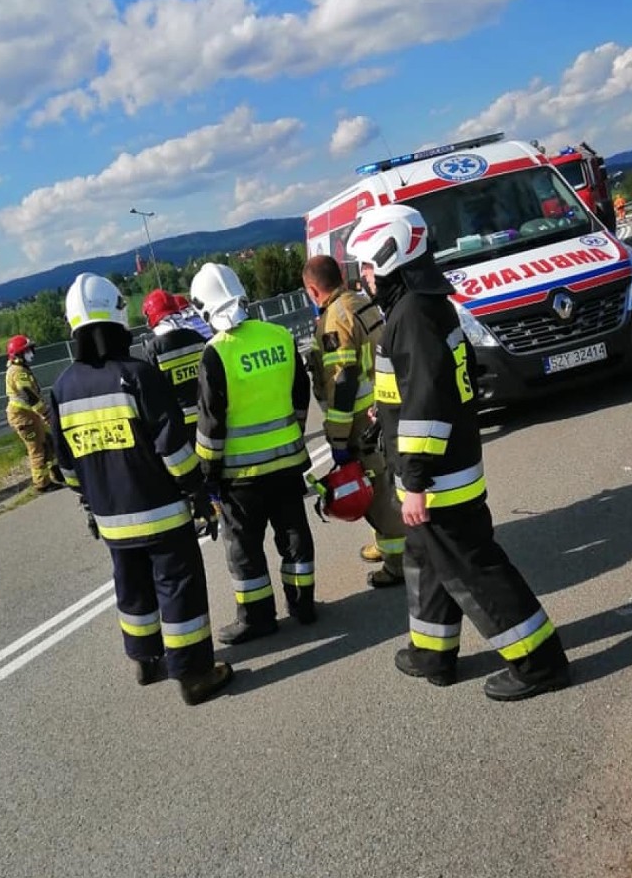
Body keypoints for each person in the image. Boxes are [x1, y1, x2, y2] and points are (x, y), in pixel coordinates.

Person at [346, 204, 571, 701]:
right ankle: (433, 654)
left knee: (475, 571)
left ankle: (540, 662)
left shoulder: (414, 316)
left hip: (438, 479)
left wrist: (418, 481)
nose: (362, 277)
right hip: (439, 471)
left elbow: (428, 404)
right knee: (426, 563)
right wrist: (381, 416)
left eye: (365, 266)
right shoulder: (422, 305)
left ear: (388, 256)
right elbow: (418, 389)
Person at [49, 272, 233, 706]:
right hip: (161, 513)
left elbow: (66, 466)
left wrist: (91, 503)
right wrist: (198, 493)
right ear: (118, 317)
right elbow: (172, 448)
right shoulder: (137, 375)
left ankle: (144, 659)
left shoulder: (60, 389)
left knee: (131, 587)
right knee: (178, 586)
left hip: (112, 520)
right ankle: (193, 675)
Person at [190, 262, 315, 644]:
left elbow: (212, 425)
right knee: (294, 535)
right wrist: (290, 429)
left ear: (204, 308)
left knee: (244, 549)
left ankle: (258, 618)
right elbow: (300, 392)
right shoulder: (279, 335)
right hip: (288, 462)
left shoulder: (216, 353)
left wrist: (207, 477)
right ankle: (303, 605)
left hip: (240, 477)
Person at [301, 253, 405, 588]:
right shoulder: (360, 301)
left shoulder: (333, 319)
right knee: (390, 479)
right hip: (385, 402)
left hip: (362, 419)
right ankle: (388, 544)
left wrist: (338, 437)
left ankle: (398, 563)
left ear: (314, 290)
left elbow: (343, 380)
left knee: (377, 490)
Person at [141, 289, 207, 445]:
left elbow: (154, 394)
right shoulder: (196, 337)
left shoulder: (153, 349)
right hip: (207, 416)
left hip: (179, 425)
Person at [4, 334, 63, 493]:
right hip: (24, 419)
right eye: (28, 350)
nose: (31, 352)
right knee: (37, 449)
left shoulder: (20, 369)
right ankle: (42, 484)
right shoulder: (18, 372)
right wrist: (45, 413)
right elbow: (27, 394)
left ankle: (56, 473)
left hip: (28, 416)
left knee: (47, 443)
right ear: (19, 354)